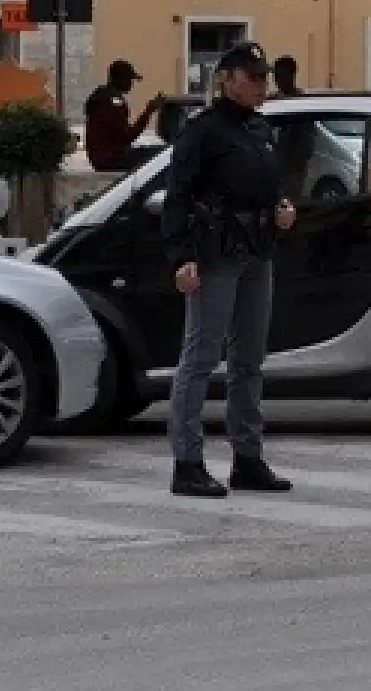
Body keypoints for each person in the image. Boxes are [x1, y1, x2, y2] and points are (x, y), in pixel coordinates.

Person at [160, 42, 298, 498]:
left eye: (263, 78)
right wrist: (181, 257)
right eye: (252, 77)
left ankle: (247, 457)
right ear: (225, 78)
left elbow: (272, 184)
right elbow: (177, 195)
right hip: (215, 254)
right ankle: (187, 461)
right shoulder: (202, 132)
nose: (261, 86)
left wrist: (282, 207)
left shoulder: (260, 129)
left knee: (249, 361)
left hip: (257, 251)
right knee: (200, 358)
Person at [84, 59, 164, 172]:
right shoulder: (114, 102)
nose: (131, 83)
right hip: (112, 160)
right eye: (129, 79)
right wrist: (149, 111)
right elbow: (126, 137)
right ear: (119, 79)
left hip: (101, 159)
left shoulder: (101, 96)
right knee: (163, 153)